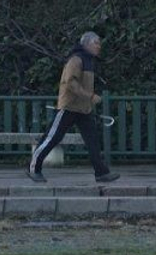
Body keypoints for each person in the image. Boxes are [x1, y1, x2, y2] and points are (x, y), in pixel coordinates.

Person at [29, 32, 118, 184]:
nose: (99, 46)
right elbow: (70, 82)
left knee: (92, 141)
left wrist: (87, 100)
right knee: (52, 137)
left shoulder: (89, 60)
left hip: (84, 109)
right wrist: (90, 96)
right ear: (87, 44)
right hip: (69, 106)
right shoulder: (76, 59)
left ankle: (101, 173)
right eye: (96, 43)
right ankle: (34, 168)